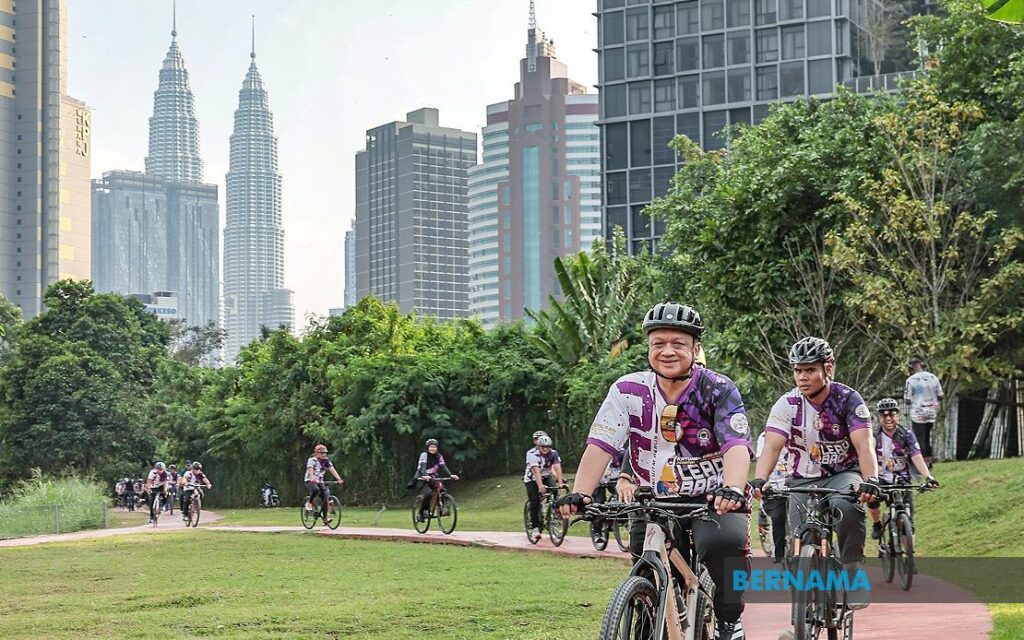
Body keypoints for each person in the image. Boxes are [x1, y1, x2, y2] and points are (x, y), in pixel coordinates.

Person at [557, 302, 752, 640]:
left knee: (725, 545)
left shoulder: (718, 389)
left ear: (695, 348)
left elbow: (735, 444)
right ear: (648, 347)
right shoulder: (627, 390)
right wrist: (582, 492)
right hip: (653, 501)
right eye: (658, 343)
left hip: (712, 499)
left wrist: (733, 488)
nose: (667, 351)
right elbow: (602, 445)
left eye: (678, 343)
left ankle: (729, 620)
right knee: (648, 577)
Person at [752, 337, 880, 611]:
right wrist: (761, 479)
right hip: (801, 479)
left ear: (828, 369)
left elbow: (864, 445)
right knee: (798, 536)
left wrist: (871, 481)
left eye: (810, 370)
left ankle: (851, 572)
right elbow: (772, 446)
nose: (802, 377)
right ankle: (806, 608)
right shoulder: (786, 404)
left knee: (846, 505)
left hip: (842, 473)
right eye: (798, 370)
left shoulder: (849, 399)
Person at [867, 398, 940, 539]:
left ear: (898, 416)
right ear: (879, 417)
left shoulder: (906, 435)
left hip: (902, 480)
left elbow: (916, 456)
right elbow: (868, 458)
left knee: (908, 526)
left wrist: (928, 477)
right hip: (881, 478)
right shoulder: (874, 437)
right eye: (884, 415)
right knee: (872, 497)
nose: (888, 418)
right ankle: (877, 523)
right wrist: (870, 479)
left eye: (892, 415)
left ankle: (908, 555)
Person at [523, 434, 565, 542]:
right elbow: (536, 472)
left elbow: (557, 467)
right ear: (539, 447)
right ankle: (535, 527)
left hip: (546, 475)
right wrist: (540, 486)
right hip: (532, 478)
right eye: (543, 447)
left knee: (555, 490)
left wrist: (560, 482)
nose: (545, 449)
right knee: (535, 501)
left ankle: (553, 510)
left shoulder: (554, 453)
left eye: (547, 447)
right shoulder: (533, 455)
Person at [755, 430, 789, 563]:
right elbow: (762, 460)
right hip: (774, 486)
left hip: (796, 484)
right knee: (778, 518)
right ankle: (778, 559)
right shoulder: (765, 437)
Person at [904, 357, 944, 466]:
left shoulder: (911, 380)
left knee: (919, 438)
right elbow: (941, 396)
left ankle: (923, 463)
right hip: (931, 412)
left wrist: (916, 398)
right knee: (927, 437)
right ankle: (929, 461)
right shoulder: (933, 377)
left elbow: (907, 400)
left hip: (918, 413)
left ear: (911, 368)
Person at [414, 438, 459, 521]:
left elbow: (443, 466)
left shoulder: (439, 456)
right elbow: (423, 467)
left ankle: (443, 509)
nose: (433, 448)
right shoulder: (424, 455)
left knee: (442, 489)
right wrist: (425, 475)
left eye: (434, 447)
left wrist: (450, 475)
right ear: (427, 447)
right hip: (421, 477)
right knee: (427, 494)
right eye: (431, 447)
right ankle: (421, 513)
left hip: (433, 477)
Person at [304, 444, 344, 521]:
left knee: (325, 497)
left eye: (325, 453)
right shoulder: (312, 460)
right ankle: (309, 502)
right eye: (322, 453)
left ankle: (325, 518)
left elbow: (332, 469)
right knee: (315, 490)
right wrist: (312, 477)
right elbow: (310, 468)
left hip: (319, 481)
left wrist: (339, 479)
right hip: (310, 480)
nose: (324, 454)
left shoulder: (326, 461)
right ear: (317, 453)